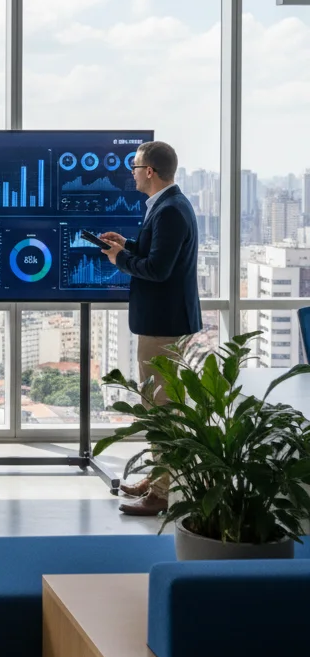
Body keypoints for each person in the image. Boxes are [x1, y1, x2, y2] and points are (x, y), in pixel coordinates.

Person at [99, 140, 201, 517]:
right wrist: (128, 244)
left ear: (150, 172)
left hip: (164, 324)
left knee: (161, 409)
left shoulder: (170, 210)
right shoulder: (167, 206)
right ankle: (160, 478)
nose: (132, 173)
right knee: (158, 406)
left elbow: (159, 269)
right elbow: (159, 253)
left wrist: (120, 258)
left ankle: (161, 492)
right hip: (164, 321)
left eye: (135, 166)